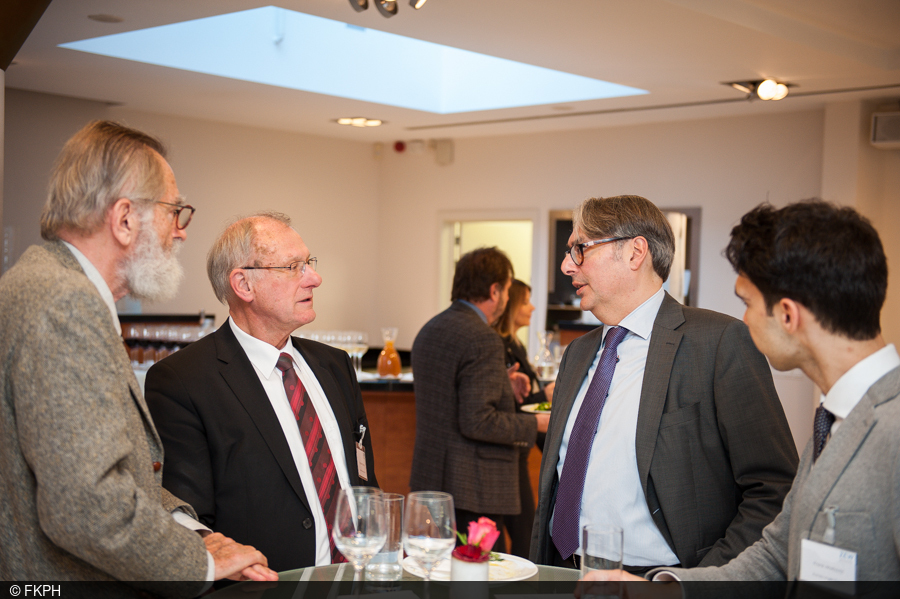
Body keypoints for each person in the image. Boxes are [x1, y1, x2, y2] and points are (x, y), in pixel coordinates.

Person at [0, 121, 276, 594]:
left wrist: (195, 535)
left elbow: (110, 474)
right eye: (174, 212)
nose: (181, 233)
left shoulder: (40, 282)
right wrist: (201, 564)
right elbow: (87, 508)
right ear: (125, 219)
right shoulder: (67, 303)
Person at [586, 200, 900, 584]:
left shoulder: (892, 429)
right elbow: (775, 556)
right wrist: (666, 590)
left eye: (747, 303)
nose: (744, 319)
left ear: (788, 315)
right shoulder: (833, 421)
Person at [531, 195, 798, 573]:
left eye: (579, 249)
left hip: (662, 580)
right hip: (561, 570)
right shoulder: (577, 354)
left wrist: (694, 584)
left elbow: (773, 489)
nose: (565, 265)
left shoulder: (718, 343)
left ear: (635, 252)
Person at [145, 212, 378, 573]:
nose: (314, 279)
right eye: (293, 267)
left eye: (309, 264)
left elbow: (362, 481)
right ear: (244, 284)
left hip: (357, 579)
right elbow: (187, 514)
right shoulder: (182, 381)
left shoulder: (335, 366)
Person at [410, 247, 550, 552]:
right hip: (473, 488)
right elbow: (478, 421)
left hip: (431, 479)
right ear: (495, 290)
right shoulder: (483, 337)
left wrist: (503, 382)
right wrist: (536, 422)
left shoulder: (431, 329)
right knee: (477, 581)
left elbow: (450, 394)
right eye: (509, 290)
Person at [492, 278, 553, 557]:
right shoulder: (499, 344)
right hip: (507, 449)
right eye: (526, 301)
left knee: (525, 533)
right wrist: (547, 397)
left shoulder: (513, 344)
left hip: (517, 451)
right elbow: (516, 406)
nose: (532, 307)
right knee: (522, 534)